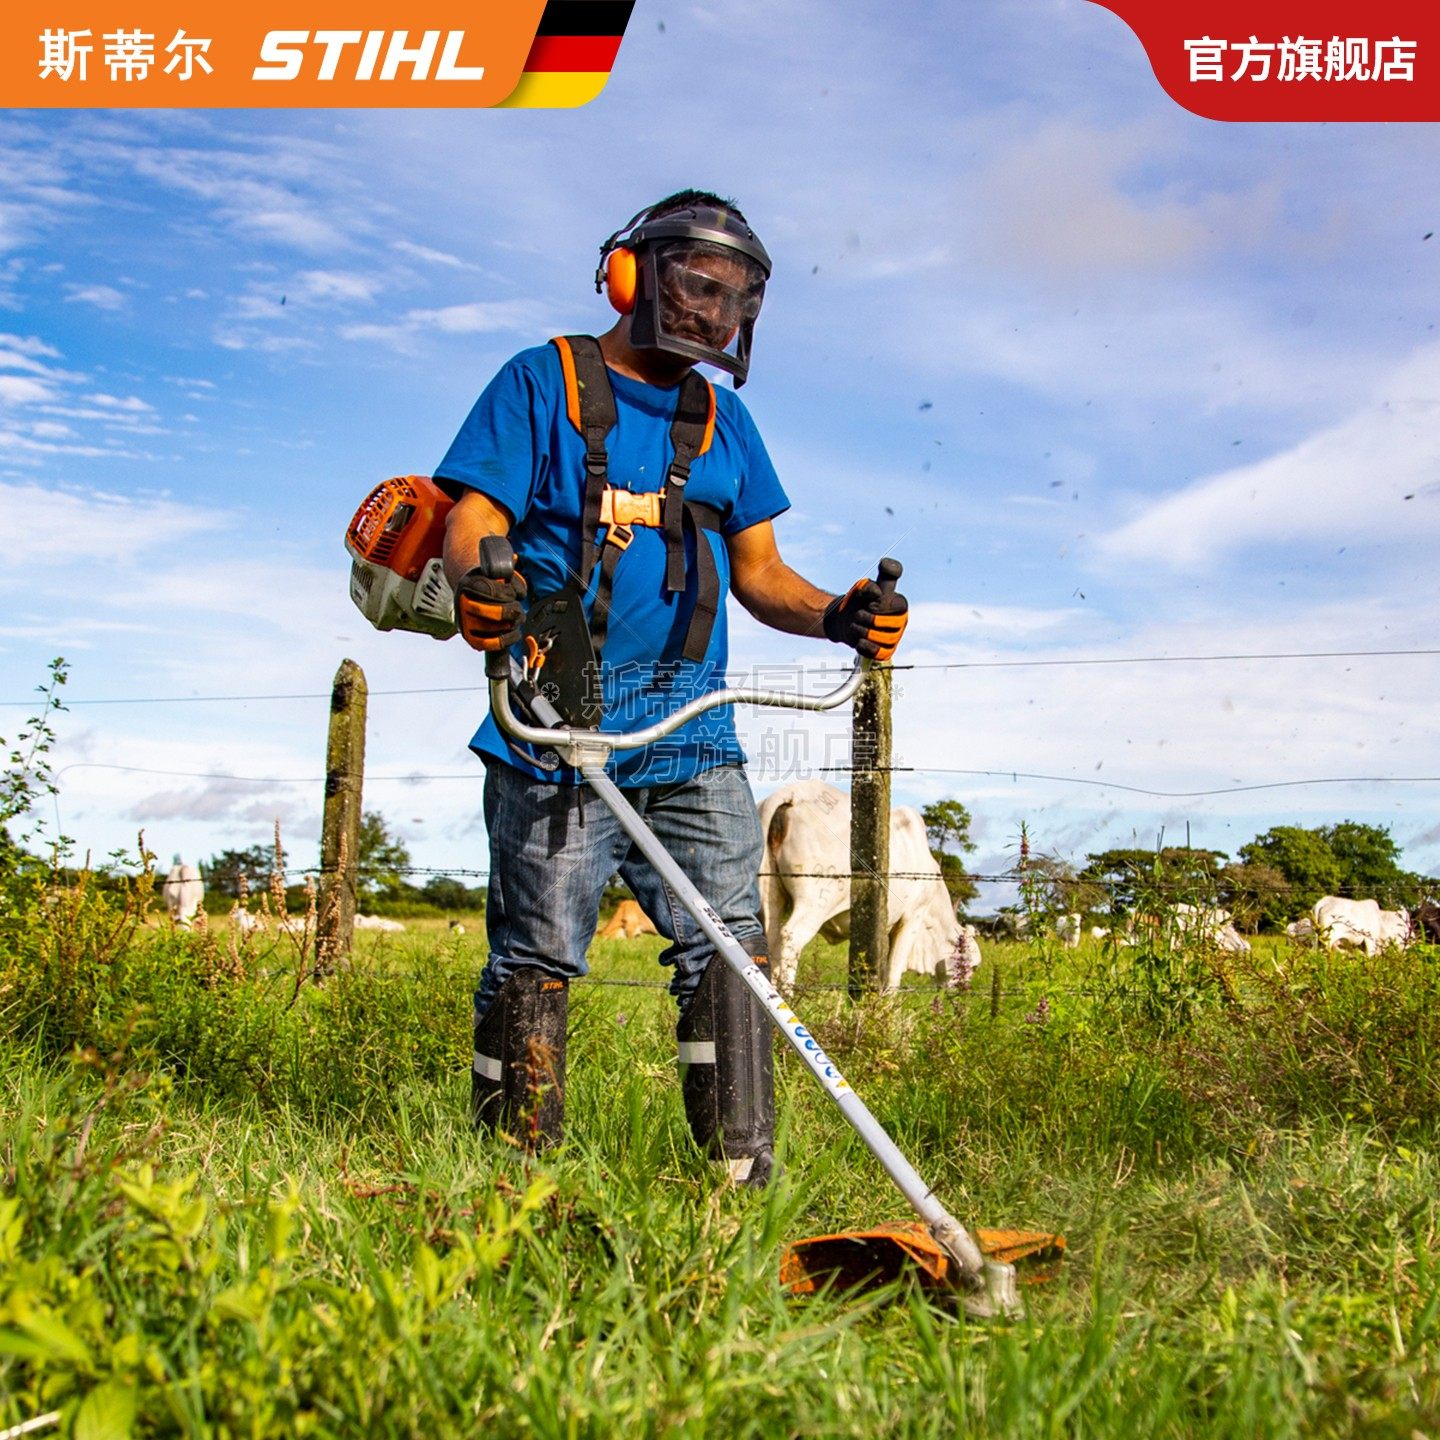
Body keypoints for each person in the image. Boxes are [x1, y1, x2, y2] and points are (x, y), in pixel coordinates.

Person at [434, 189, 909, 1184]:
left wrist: (838, 615)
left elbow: (763, 574)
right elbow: (472, 512)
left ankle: (742, 1187)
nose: (716, 315)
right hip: (556, 727)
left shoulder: (723, 422)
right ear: (630, 276)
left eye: (736, 299)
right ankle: (515, 1188)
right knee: (540, 956)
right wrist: (489, 581)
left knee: (732, 952)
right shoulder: (541, 381)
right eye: (699, 286)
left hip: (693, 738)